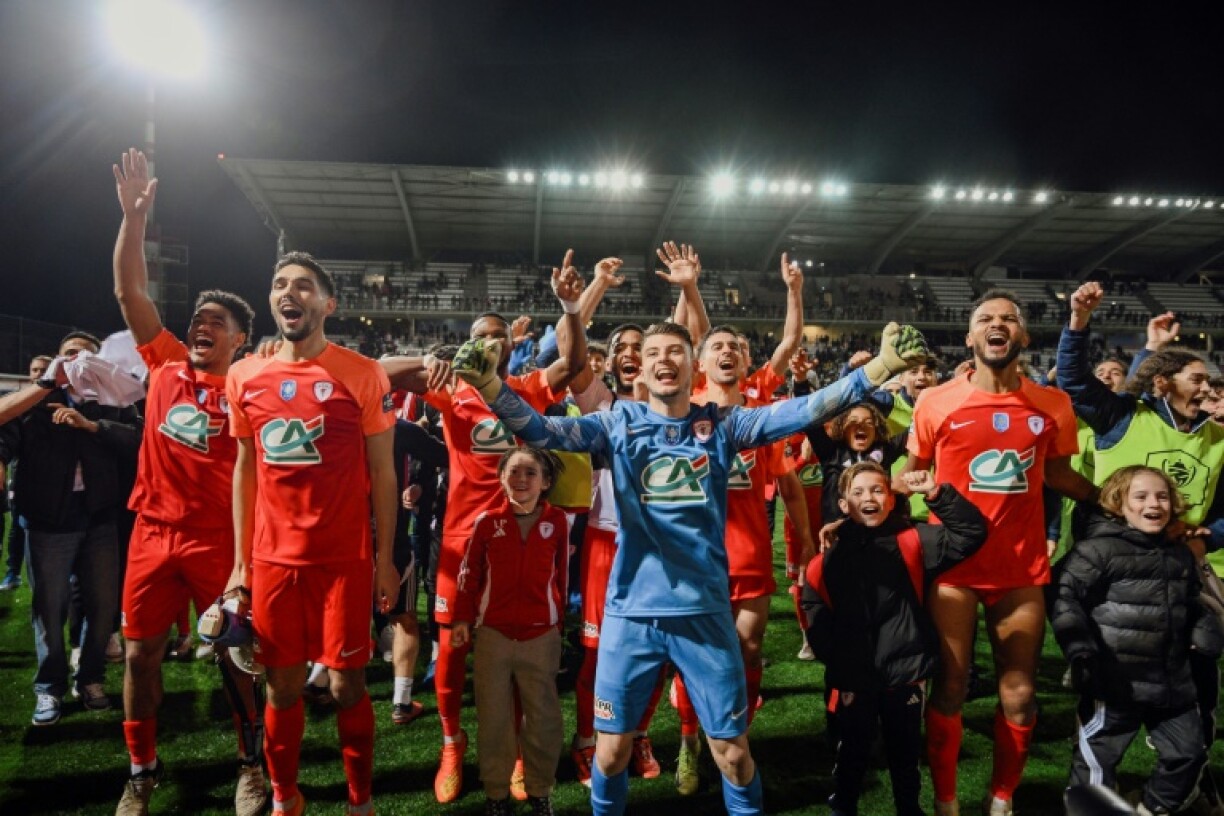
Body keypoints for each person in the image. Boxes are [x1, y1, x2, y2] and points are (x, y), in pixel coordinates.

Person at [452, 317, 929, 816]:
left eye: (675, 351)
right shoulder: (619, 423)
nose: (664, 360)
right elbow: (540, 428)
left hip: (704, 617)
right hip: (630, 617)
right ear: (644, 367)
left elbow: (803, 410)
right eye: (654, 352)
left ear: (692, 364)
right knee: (610, 753)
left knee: (732, 753)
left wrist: (879, 368)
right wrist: (489, 386)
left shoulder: (723, 424)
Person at [382, 252, 588, 804]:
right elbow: (381, 368)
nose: (492, 342)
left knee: (521, 650)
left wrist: (571, 307)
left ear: (512, 344)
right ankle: (453, 744)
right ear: (469, 342)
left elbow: (571, 364)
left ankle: (521, 755)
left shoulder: (527, 386)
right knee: (450, 652)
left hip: (523, 540)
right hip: (459, 540)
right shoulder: (453, 391)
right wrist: (426, 359)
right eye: (481, 335)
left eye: (499, 335)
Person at [895, 289, 1096, 816]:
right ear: (970, 337)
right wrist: (878, 498)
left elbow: (1056, 475)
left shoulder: (1053, 404)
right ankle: (945, 799)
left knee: (1020, 693)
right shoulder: (935, 400)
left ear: (1023, 336)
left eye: (1009, 318)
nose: (997, 324)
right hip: (955, 570)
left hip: (1020, 570)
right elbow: (908, 471)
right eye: (985, 318)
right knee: (951, 685)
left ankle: (1002, 797)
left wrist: (1112, 499)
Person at [109, 147, 267, 816]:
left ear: (241, 341)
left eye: (217, 323)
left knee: (234, 656)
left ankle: (252, 766)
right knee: (141, 654)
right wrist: (134, 220)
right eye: (198, 319)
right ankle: (141, 771)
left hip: (217, 539)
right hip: (151, 532)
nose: (201, 326)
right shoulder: (168, 364)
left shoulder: (252, 383)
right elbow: (129, 292)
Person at [225, 252, 399, 816]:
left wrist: (387, 558)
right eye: (279, 284)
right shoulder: (245, 374)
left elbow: (383, 473)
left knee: (348, 687)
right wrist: (240, 564)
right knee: (282, 687)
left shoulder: (361, 372)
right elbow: (245, 470)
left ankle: (360, 801)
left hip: (343, 563)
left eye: (302, 285)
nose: (287, 293)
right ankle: (284, 797)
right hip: (274, 563)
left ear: (329, 304)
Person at [804, 461, 987, 816]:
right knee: (852, 750)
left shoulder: (915, 539)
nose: (868, 497)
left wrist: (935, 494)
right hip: (853, 676)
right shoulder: (828, 559)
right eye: (857, 493)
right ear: (844, 505)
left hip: (905, 674)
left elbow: (972, 532)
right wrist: (837, 658)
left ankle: (909, 808)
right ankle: (844, 805)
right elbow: (812, 603)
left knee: (905, 753)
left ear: (890, 498)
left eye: (877, 490)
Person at [1052, 466, 1222, 816]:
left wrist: (1205, 632)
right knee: (1096, 765)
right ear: (1119, 503)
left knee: (1190, 754)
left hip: (1173, 682)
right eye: (1140, 496)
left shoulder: (1179, 554)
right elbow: (1063, 596)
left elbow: (1193, 602)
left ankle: (1151, 807)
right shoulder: (1097, 550)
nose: (1154, 503)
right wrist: (1080, 649)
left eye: (1162, 496)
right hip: (1115, 682)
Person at [0, 332, 140, 727]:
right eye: (69, 354)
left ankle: (91, 678)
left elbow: (139, 440)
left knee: (101, 609)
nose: (77, 361)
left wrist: (93, 427)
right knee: (49, 608)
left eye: (85, 354)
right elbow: (4, 431)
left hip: (98, 518)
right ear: (57, 362)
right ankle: (49, 686)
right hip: (47, 521)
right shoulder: (36, 400)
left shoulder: (111, 399)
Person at [450, 447, 570, 816]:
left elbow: (562, 575)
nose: (521, 479)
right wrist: (461, 619)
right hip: (494, 637)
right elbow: (468, 576)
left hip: (541, 637)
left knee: (543, 720)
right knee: (494, 719)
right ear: (501, 477)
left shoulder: (559, 522)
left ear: (546, 482)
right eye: (513, 471)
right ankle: (496, 794)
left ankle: (539, 791)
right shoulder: (487, 522)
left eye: (530, 472)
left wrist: (557, 622)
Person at [0, 354, 53, 592]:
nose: (39, 374)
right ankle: (13, 573)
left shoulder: (66, 401)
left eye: (44, 369)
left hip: (52, 484)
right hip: (23, 480)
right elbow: (6, 437)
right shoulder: (16, 403)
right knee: (18, 528)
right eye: (35, 370)